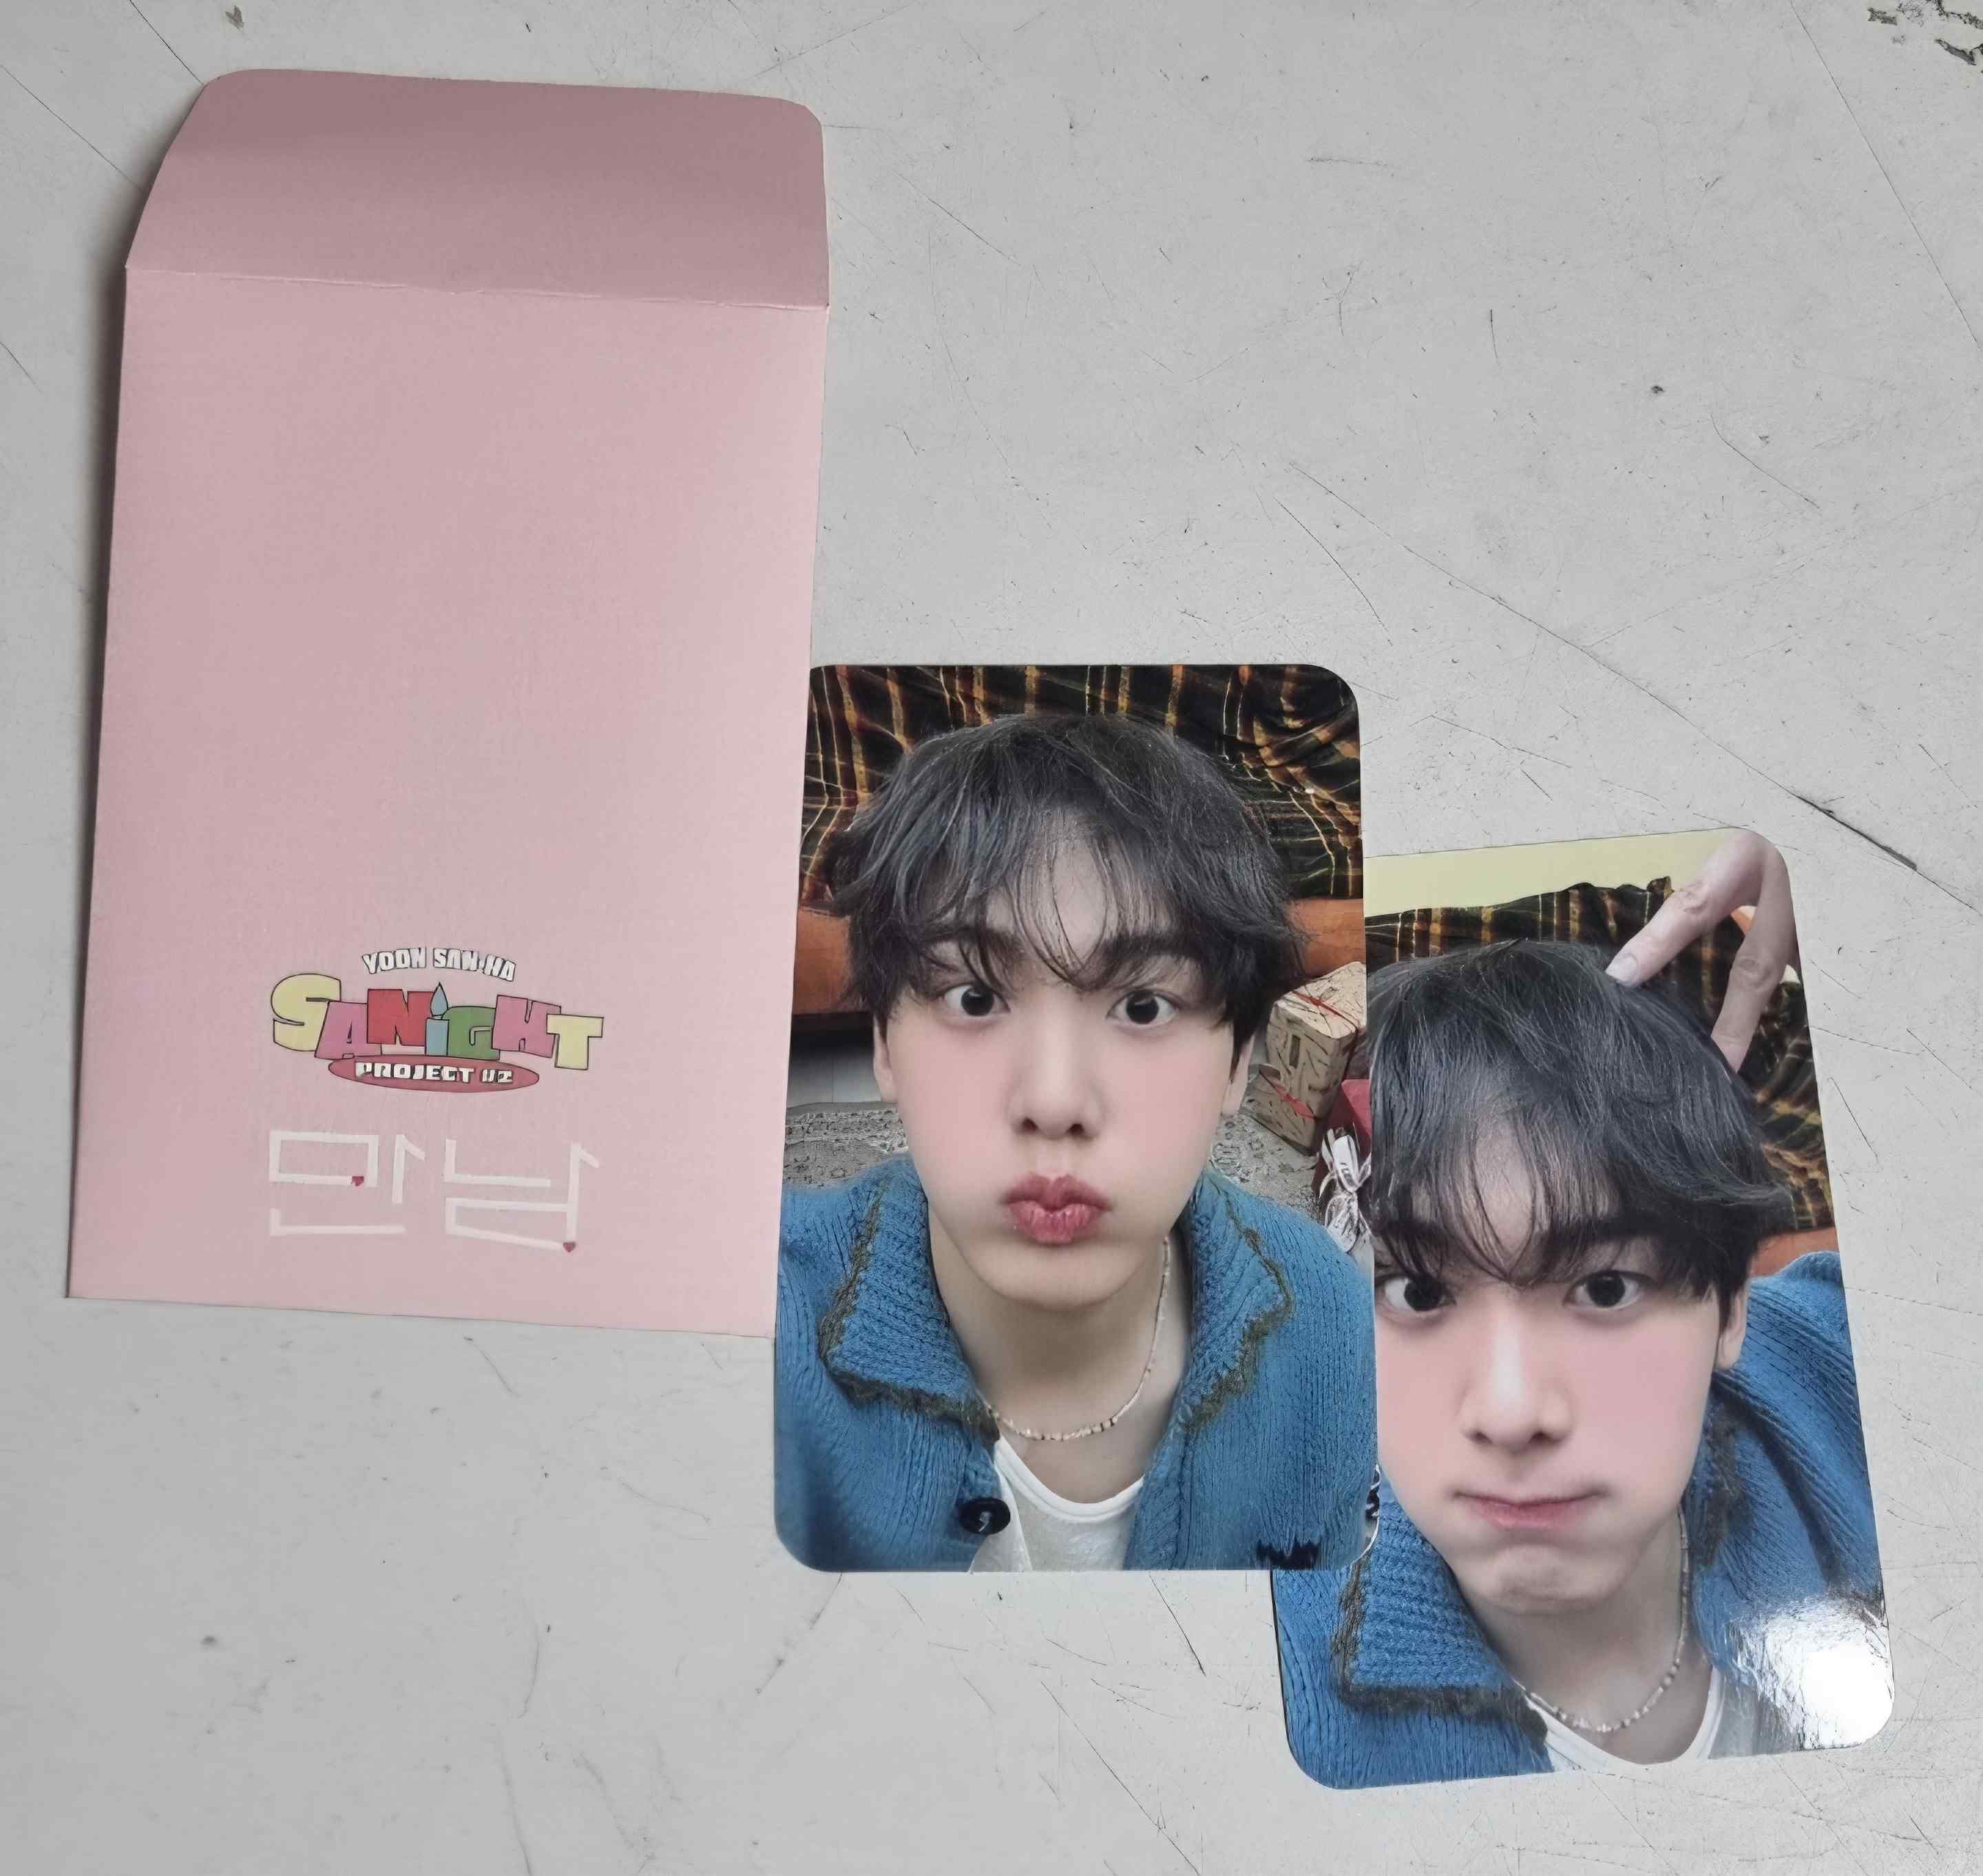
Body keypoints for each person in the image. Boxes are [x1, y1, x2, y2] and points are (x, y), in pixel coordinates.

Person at [775, 712, 1377, 1572]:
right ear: (883, 1043)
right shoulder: (759, 1327)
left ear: (1240, 1059)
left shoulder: (1333, 1327)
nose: (1055, 1102)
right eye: (974, 997)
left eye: (1143, 1006)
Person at [1276, 940, 1887, 1784]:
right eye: (1417, 1291)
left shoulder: (1832, 1369)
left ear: (1732, 1306)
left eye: (1605, 1288)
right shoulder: (1267, 1697)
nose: (1511, 1412)